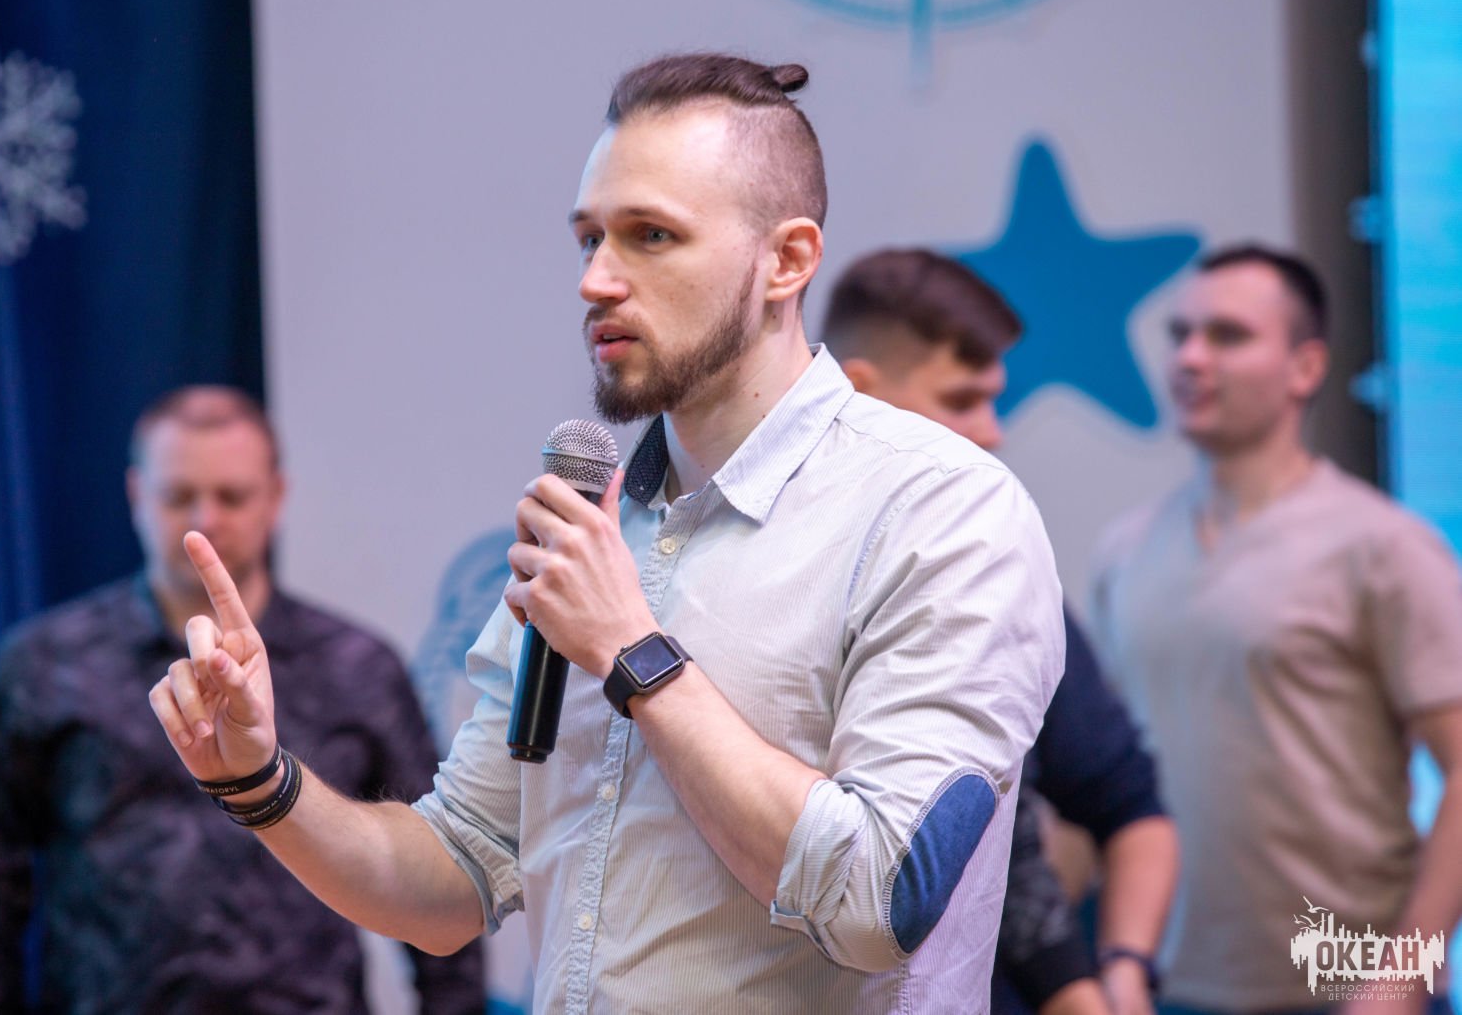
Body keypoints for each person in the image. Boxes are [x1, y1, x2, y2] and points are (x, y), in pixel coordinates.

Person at [149, 54, 1064, 1013]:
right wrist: (259, 779)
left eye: (651, 235)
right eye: (589, 238)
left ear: (788, 260)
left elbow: (881, 900)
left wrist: (634, 649)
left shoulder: (942, 509)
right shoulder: (596, 523)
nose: (595, 281)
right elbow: (452, 876)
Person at [0, 386, 484, 1014]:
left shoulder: (358, 668)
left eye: (232, 496)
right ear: (137, 495)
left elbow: (436, 874)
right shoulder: (47, 664)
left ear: (275, 496)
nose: (206, 519)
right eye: (178, 496)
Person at [1089, 245, 1462, 1015]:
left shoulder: (1382, 545)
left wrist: (1401, 978)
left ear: (1305, 367)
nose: (1191, 357)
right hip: (1168, 985)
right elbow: (1101, 788)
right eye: (1181, 333)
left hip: (1344, 980)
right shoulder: (1126, 551)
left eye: (1227, 335)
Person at [822, 247, 1180, 1015]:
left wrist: (1122, 970)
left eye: (994, 400)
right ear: (860, 393)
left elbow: (1123, 803)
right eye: (961, 400)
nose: (991, 432)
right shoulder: (780, 577)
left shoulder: (1003, 577)